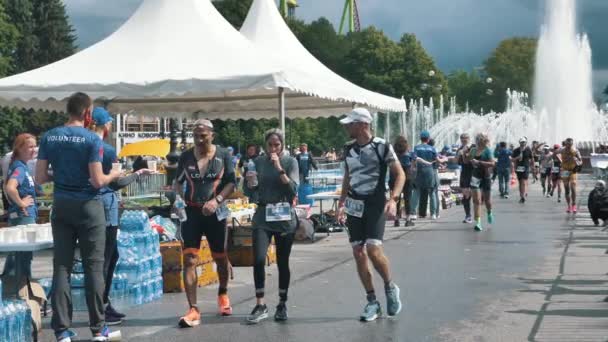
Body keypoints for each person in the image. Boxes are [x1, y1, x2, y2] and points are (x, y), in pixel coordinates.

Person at [35, 92, 122, 342]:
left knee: (61, 266)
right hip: (88, 206)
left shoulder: (50, 136)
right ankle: (98, 329)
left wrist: (59, 176)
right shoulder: (90, 139)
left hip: (61, 204)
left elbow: (40, 177)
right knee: (93, 266)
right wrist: (113, 175)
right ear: (87, 114)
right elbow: (97, 180)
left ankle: (61, 331)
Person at [337, 108, 404, 322]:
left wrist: (393, 199)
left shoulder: (382, 146)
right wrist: (341, 202)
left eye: (351, 123)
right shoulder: (348, 148)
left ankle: (389, 286)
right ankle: (372, 301)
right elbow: (348, 175)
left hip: (375, 202)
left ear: (363, 124)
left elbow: (400, 174)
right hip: (354, 204)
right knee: (358, 251)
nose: (346, 127)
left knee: (374, 250)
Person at [90, 108, 154, 325]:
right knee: (106, 259)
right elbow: (116, 182)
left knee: (101, 258)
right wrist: (137, 174)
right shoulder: (106, 151)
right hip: (105, 209)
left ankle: (103, 304)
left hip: (85, 206)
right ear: (106, 125)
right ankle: (101, 309)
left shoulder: (82, 146)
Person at [174, 119, 236, 328]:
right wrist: (177, 200)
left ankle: (223, 293)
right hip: (191, 212)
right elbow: (178, 182)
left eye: (203, 135)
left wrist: (217, 200)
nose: (199, 140)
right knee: (190, 259)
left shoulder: (224, 155)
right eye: (196, 136)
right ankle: (193, 308)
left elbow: (231, 182)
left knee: (220, 258)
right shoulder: (186, 156)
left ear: (212, 135)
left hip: (215, 212)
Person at [244, 129, 299, 324]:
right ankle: (260, 304)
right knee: (258, 259)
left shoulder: (290, 161)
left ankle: (282, 303)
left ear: (282, 145)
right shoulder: (257, 162)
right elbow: (249, 189)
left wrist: (279, 168)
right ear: (265, 145)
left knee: (283, 262)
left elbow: (292, 189)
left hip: (284, 216)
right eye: (270, 145)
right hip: (263, 215)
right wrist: (250, 183)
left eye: (277, 145)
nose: (273, 148)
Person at [2, 134, 38, 279]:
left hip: (23, 216)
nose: (34, 150)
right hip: (23, 217)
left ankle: (11, 285)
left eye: (35, 146)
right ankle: (23, 291)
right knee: (23, 256)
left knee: (16, 254)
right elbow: (11, 188)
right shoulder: (19, 167)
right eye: (30, 146)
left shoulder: (22, 167)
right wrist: (21, 203)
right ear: (19, 148)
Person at [468, 133, 496, 231]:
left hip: (486, 177)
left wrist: (479, 162)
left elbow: (492, 163)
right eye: (478, 139)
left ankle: (489, 212)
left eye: (480, 140)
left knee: (487, 201)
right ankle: (478, 222)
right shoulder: (473, 150)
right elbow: (467, 160)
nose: (478, 141)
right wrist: (465, 155)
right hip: (475, 176)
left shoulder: (487, 151)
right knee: (477, 200)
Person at [390, 136, 415, 227]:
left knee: (396, 198)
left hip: (395, 177)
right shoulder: (410, 154)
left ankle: (396, 219)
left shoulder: (393, 154)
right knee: (408, 198)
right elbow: (413, 165)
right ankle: (408, 220)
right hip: (407, 177)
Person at [453, 133, 473, 223]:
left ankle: (478, 215)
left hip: (474, 173)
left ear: (469, 139)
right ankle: (468, 215)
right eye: (462, 138)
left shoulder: (473, 147)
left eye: (466, 138)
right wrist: (459, 155)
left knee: (475, 195)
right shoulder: (459, 149)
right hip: (465, 173)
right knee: (465, 196)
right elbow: (455, 162)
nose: (464, 140)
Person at [560, 138, 583, 213]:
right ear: (565, 144)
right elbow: (554, 153)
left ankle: (574, 205)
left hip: (573, 171)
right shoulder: (562, 150)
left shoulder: (575, 151)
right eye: (567, 144)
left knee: (573, 187)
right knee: (567, 189)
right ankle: (569, 206)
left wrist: (577, 161)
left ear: (572, 144)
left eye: (570, 144)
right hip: (565, 171)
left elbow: (580, 161)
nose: (569, 146)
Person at [511, 137, 534, 203]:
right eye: (521, 142)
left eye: (524, 142)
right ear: (519, 142)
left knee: (523, 181)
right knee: (520, 182)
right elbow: (512, 159)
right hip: (518, 168)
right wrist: (517, 158)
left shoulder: (528, 149)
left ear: (525, 142)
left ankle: (523, 196)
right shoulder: (516, 150)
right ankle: (521, 196)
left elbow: (532, 158)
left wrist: (533, 167)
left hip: (526, 167)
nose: (523, 143)